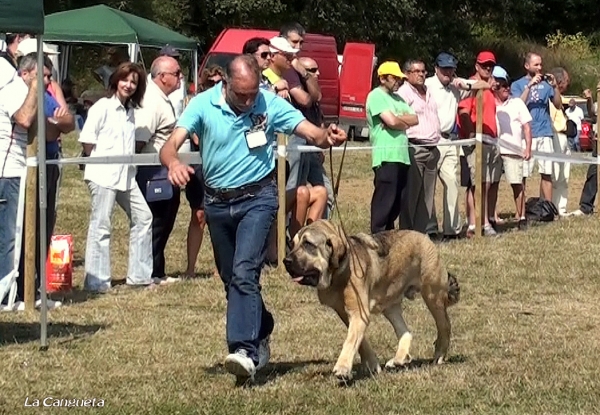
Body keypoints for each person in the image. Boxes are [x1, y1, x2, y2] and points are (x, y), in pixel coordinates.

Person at [159, 55, 347, 382]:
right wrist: (173, 163)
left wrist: (326, 135)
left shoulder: (269, 103)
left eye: (252, 94)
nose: (248, 101)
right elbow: (170, 145)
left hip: (258, 199)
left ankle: (244, 350)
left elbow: (311, 133)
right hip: (217, 202)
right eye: (241, 94)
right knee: (231, 277)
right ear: (225, 84)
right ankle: (263, 326)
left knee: (246, 270)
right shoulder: (203, 104)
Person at [78, 62, 155, 293]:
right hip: (102, 175)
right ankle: (97, 282)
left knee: (144, 217)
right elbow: (87, 141)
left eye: (134, 82)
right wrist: (98, 163)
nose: (129, 85)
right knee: (101, 225)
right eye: (125, 80)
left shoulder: (130, 111)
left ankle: (139, 277)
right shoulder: (102, 106)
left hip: (126, 176)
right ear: (116, 80)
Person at [366, 61, 417, 234]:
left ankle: (388, 236)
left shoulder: (398, 98)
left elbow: (415, 118)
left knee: (397, 201)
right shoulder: (375, 96)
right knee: (384, 201)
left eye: (399, 79)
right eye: (394, 78)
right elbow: (392, 121)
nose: (398, 81)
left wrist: (396, 120)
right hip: (386, 156)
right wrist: (398, 121)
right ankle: (377, 236)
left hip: (402, 156)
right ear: (382, 78)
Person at [493, 66, 532, 230]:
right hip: (495, 151)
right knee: (492, 184)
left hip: (514, 151)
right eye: (502, 85)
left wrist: (528, 148)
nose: (506, 88)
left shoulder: (517, 103)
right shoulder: (490, 104)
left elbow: (527, 127)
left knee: (517, 184)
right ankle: (491, 217)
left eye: (508, 85)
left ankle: (521, 216)